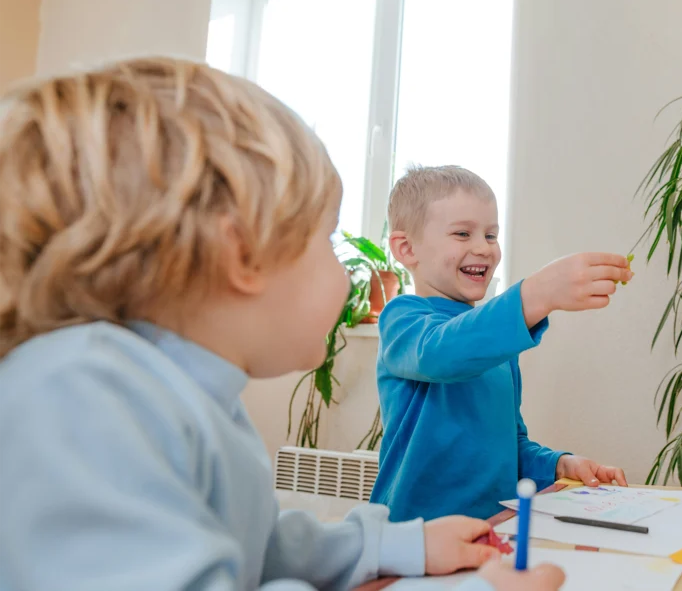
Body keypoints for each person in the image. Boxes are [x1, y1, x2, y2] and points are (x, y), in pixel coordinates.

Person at [0, 59, 562, 591]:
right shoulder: (80, 395)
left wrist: (398, 546)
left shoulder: (198, 401)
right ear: (242, 255)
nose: (348, 280)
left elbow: (264, 547)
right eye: (325, 244)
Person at [371, 165, 631, 522]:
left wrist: (558, 464)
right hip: (417, 535)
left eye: (491, 236)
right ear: (406, 248)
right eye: (463, 233)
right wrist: (535, 294)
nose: (484, 248)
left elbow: (509, 445)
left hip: (491, 531)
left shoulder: (499, 345)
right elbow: (440, 354)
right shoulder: (403, 319)